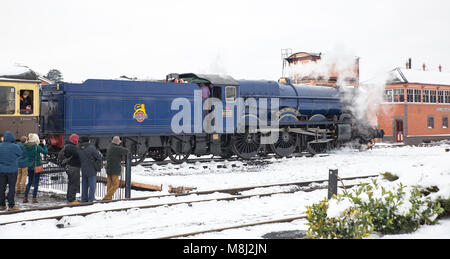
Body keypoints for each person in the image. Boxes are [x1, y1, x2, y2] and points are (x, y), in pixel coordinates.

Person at [0, 131, 23, 211]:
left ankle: (2, 205)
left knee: (1, 188)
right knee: (11, 188)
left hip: (1, 171)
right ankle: (11, 205)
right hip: (12, 171)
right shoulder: (15, 146)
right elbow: (21, 154)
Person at [23, 134, 48, 203]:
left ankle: (25, 197)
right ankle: (34, 198)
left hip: (29, 166)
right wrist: (45, 145)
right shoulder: (36, 147)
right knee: (36, 183)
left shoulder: (26, 146)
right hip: (37, 166)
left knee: (29, 182)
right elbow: (45, 152)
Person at [103, 136, 128, 201]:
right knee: (116, 184)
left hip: (108, 168)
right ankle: (106, 197)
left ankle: (109, 198)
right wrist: (122, 146)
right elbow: (126, 151)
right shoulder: (117, 148)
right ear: (117, 142)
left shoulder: (109, 147)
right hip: (114, 169)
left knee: (109, 184)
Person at [78, 136, 102, 203]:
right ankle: (90, 200)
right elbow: (98, 157)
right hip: (91, 169)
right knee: (92, 186)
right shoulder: (91, 148)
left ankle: (84, 199)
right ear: (88, 141)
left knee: (84, 185)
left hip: (83, 169)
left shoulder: (79, 148)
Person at [59, 134, 81, 204]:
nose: (77, 141)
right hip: (73, 167)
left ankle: (70, 198)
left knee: (72, 183)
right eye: (77, 139)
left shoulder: (68, 146)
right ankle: (72, 199)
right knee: (73, 183)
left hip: (70, 167)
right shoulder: (71, 147)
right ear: (74, 139)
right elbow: (78, 154)